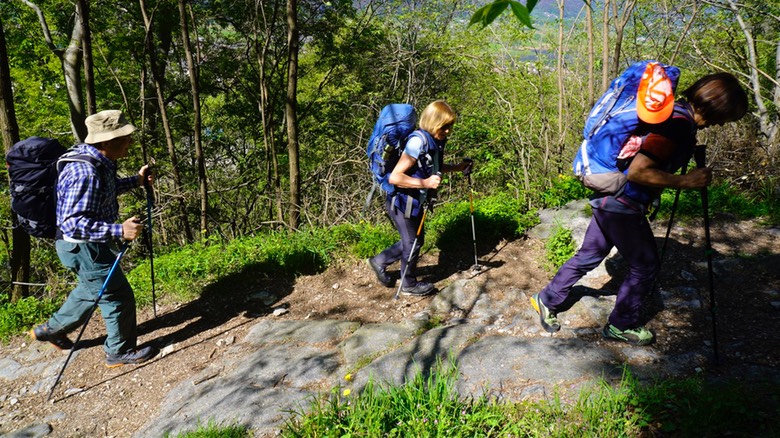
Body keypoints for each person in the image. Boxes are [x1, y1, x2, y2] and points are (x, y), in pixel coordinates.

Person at [531, 72, 748, 345]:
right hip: (622, 201)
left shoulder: (675, 113)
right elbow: (638, 172)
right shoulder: (677, 124)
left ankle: (547, 298)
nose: (720, 124)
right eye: (725, 117)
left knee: (591, 253)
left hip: (608, 194)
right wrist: (684, 181)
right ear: (716, 107)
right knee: (645, 265)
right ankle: (622, 324)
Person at [30, 109, 159, 367]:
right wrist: (118, 230)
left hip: (82, 246)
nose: (129, 142)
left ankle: (49, 330)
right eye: (124, 137)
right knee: (117, 295)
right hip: (82, 245)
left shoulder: (97, 161)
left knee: (91, 290)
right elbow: (73, 223)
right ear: (106, 142)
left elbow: (103, 192)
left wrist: (137, 181)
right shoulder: (85, 172)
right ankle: (118, 352)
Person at [367, 100, 473, 296]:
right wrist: (425, 184)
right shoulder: (417, 142)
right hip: (401, 202)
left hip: (413, 202)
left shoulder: (434, 141)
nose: (448, 131)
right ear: (434, 122)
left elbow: (433, 169)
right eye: (445, 126)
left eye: (450, 126)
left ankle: (379, 261)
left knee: (415, 240)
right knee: (412, 243)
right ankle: (408, 284)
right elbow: (395, 177)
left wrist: (458, 167)